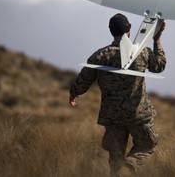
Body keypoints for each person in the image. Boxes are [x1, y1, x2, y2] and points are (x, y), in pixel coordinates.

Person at [69, 13, 166, 176]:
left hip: (112, 118)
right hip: (138, 115)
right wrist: (156, 39)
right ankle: (131, 165)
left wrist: (74, 94)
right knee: (147, 145)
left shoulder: (100, 56)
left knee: (115, 159)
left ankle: (120, 170)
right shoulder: (141, 52)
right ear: (129, 29)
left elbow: (83, 79)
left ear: (111, 31)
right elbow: (159, 66)